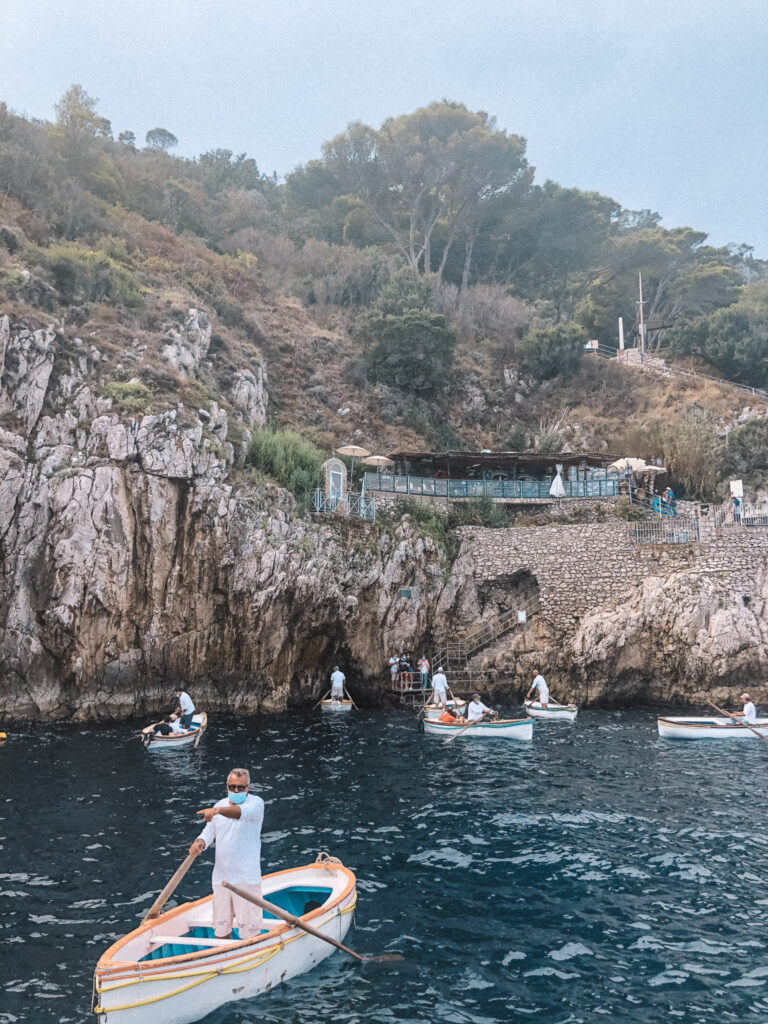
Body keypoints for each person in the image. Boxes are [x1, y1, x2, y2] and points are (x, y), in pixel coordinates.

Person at [189, 768, 265, 940]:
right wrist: (199, 843)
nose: (236, 791)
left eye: (241, 787)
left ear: (248, 787)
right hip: (221, 879)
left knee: (249, 933)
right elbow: (209, 833)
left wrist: (216, 811)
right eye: (232, 787)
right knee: (221, 930)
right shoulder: (219, 805)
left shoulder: (256, 804)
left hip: (247, 879)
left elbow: (238, 813)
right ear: (227, 787)